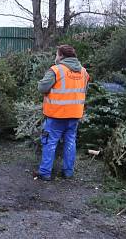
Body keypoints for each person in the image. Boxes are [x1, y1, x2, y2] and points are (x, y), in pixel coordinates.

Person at [35, 44, 90, 181]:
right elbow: (84, 90)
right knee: (70, 142)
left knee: (50, 142)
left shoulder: (56, 70)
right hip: (75, 115)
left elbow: (42, 87)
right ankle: (68, 172)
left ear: (61, 56)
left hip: (57, 115)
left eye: (56, 54)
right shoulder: (83, 72)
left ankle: (45, 173)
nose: (55, 57)